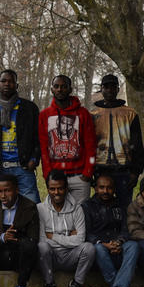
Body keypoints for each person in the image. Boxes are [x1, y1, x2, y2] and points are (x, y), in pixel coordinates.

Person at [0, 69, 41, 203]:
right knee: (6, 206)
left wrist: (34, 158)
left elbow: (38, 137)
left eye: (11, 81)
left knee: (31, 205)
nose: (7, 84)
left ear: (17, 85)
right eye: (3, 81)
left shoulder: (29, 108)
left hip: (23, 167)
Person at [36, 171, 95, 287]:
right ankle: (49, 285)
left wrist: (53, 236)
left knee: (89, 248)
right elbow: (42, 239)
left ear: (67, 188)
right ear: (47, 189)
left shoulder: (77, 209)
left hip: (71, 255)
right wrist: (69, 237)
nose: (56, 192)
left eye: (60, 188)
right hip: (51, 257)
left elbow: (80, 239)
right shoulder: (40, 209)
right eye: (52, 189)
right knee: (42, 246)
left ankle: (77, 284)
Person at [37, 75, 97, 204]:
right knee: (58, 212)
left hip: (79, 176)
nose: (60, 89)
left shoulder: (83, 113)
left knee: (81, 212)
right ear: (52, 89)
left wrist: (88, 172)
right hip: (56, 177)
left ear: (70, 89)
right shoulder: (44, 115)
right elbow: (43, 147)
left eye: (64, 86)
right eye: (56, 86)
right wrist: (47, 174)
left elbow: (90, 145)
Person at [83, 173, 139, 287]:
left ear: (114, 189)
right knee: (97, 248)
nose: (105, 191)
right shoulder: (87, 206)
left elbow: (126, 229)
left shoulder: (120, 206)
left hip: (117, 247)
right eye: (101, 187)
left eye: (109, 188)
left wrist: (119, 242)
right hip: (100, 252)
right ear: (95, 188)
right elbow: (86, 233)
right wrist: (103, 244)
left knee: (133, 246)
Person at [91, 74, 144, 203]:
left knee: (124, 206)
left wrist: (135, 171)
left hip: (124, 169)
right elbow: (88, 145)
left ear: (117, 89)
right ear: (101, 89)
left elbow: (137, 144)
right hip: (100, 169)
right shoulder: (93, 115)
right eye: (106, 87)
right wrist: (90, 171)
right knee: (102, 205)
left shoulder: (130, 114)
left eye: (113, 87)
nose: (109, 90)